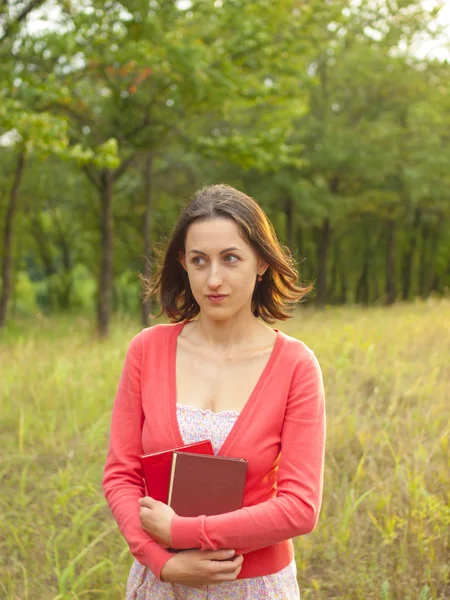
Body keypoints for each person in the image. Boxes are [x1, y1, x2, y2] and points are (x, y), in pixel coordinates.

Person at [102, 183, 326, 599]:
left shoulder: (296, 365)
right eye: (199, 261)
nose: (214, 279)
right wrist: (163, 561)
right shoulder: (146, 350)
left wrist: (185, 531)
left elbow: (300, 507)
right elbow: (121, 476)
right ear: (183, 264)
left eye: (231, 258)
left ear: (261, 263)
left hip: (254, 586)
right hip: (161, 582)